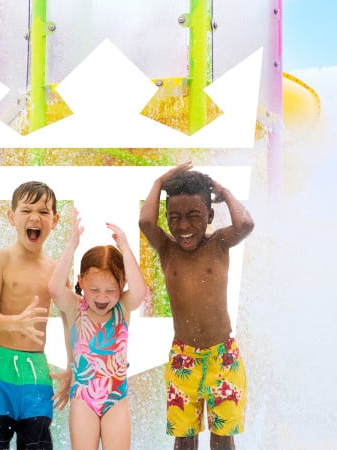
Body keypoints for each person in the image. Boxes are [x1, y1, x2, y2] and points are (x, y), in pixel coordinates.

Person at [138, 162, 254, 450]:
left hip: (222, 357)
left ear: (210, 215)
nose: (184, 226)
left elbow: (246, 224)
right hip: (183, 359)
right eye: (174, 218)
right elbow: (145, 223)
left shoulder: (219, 244)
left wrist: (224, 191)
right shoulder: (168, 249)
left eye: (193, 216)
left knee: (223, 437)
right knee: (184, 437)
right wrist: (159, 181)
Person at [0, 181, 72, 450]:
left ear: (55, 220)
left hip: (35, 371)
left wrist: (71, 366)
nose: (35, 218)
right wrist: (16, 321)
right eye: (26, 210)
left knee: (38, 444)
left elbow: (68, 323)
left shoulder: (56, 270)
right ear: (11, 216)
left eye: (43, 212)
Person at [48, 208, 149, 450]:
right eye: (94, 290)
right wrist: (72, 245)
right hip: (83, 400)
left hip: (116, 399)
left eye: (111, 290)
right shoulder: (75, 308)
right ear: (81, 281)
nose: (102, 298)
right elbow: (53, 288)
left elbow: (140, 292)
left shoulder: (122, 309)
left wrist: (125, 246)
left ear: (122, 285)